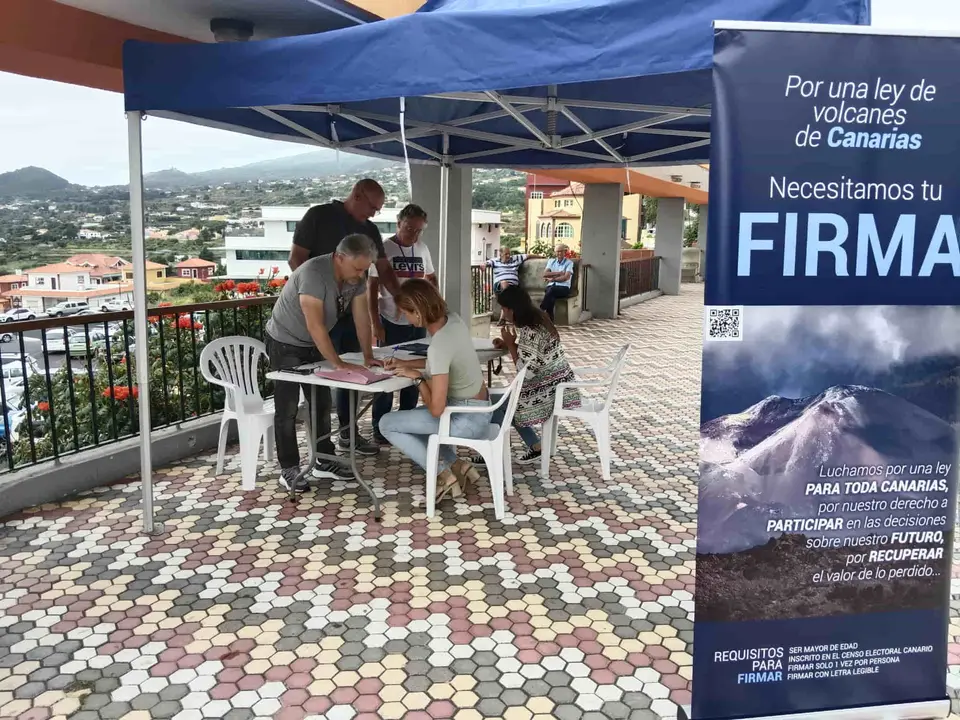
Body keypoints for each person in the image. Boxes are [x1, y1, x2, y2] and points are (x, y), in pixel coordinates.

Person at [287, 178, 400, 456]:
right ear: (357, 195)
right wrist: (322, 297)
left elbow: (384, 270)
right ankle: (322, 451)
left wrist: (404, 299)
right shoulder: (319, 216)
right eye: (373, 207)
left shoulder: (370, 230)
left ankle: (349, 435)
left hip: (351, 315)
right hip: (318, 318)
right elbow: (296, 260)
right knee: (322, 385)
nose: (374, 214)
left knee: (354, 377)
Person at [267, 234, 381, 492]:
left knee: (320, 402)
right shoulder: (314, 274)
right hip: (286, 342)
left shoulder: (356, 277)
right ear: (339, 258)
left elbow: (362, 317)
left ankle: (322, 460)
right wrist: (338, 363)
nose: (361, 274)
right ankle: (289, 468)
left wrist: (368, 355)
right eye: (357, 268)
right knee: (286, 409)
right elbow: (315, 325)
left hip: (313, 344)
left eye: (365, 268)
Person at [379, 279, 491, 505]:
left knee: (387, 423)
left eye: (405, 313)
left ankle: (443, 473)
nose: (404, 318)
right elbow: (441, 361)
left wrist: (417, 378)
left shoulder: (439, 345)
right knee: (410, 422)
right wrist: (406, 363)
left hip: (466, 419)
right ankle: (458, 465)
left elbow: (437, 409)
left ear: (418, 313)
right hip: (481, 409)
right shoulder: (454, 321)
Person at [485, 285, 580, 466]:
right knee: (503, 401)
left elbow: (526, 372)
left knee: (496, 403)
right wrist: (508, 345)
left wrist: (511, 346)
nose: (503, 314)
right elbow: (533, 355)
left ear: (512, 309)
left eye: (504, 309)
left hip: (549, 389)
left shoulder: (531, 330)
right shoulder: (539, 318)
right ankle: (534, 446)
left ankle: (490, 449)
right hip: (559, 382)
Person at [369, 204, 437, 444]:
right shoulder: (385, 248)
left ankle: (405, 422)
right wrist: (375, 322)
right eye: (410, 229)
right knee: (388, 373)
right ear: (399, 224)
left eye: (419, 230)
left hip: (417, 321)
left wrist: (433, 311)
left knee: (413, 375)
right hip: (391, 320)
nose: (414, 235)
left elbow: (430, 278)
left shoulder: (422, 248)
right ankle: (380, 426)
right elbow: (372, 287)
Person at [486, 247, 540, 326]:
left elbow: (528, 256)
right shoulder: (495, 261)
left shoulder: (515, 259)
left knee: (520, 296)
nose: (508, 256)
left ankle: (503, 318)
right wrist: (484, 265)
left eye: (509, 254)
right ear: (500, 254)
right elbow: (486, 263)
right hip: (499, 285)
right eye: (506, 254)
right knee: (505, 286)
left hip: (514, 287)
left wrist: (541, 256)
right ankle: (509, 319)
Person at [540, 244, 575, 321]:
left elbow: (566, 277)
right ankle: (550, 319)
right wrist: (559, 273)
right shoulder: (551, 261)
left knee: (551, 291)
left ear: (564, 252)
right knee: (551, 295)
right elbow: (545, 274)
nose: (558, 253)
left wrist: (553, 279)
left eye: (560, 251)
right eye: (557, 252)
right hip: (551, 287)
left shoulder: (569, 263)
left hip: (564, 288)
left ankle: (541, 309)